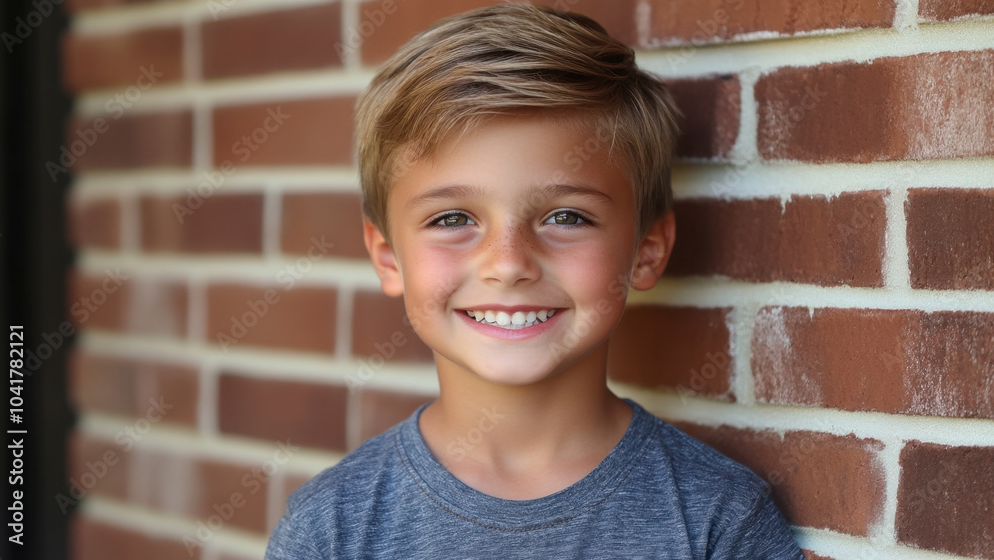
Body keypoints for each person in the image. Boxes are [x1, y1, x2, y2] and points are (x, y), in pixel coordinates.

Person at [266, 4, 804, 558]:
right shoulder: (332, 528)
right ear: (387, 257)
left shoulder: (718, 517)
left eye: (566, 217)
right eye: (453, 220)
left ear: (646, 251)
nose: (509, 263)